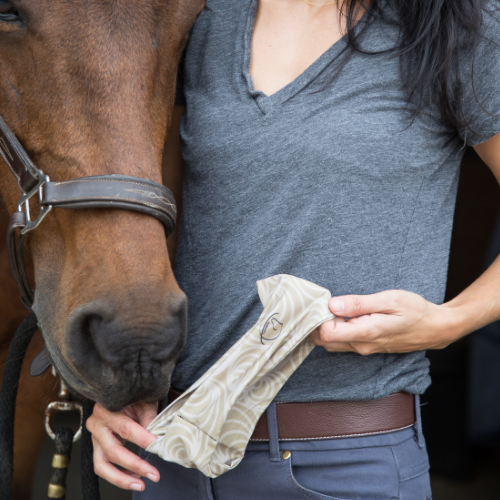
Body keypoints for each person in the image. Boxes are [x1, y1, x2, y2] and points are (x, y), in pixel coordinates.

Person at [86, 0, 500, 498]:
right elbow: (146, 223)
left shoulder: (460, 23)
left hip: (346, 461)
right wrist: (120, 389)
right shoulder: (204, 19)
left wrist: (449, 322)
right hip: (171, 455)